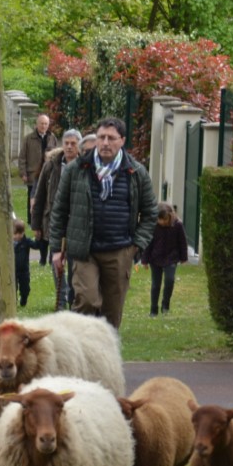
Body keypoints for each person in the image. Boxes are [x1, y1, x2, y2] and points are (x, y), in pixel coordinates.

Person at [47, 117, 158, 329]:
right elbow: (59, 210)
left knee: (112, 312)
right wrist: (55, 249)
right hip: (84, 249)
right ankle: (80, 353)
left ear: (122, 141)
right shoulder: (77, 169)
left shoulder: (135, 172)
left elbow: (150, 213)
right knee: (86, 301)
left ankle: (105, 356)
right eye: (101, 137)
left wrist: (137, 245)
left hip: (120, 250)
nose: (105, 143)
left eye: (111, 138)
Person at [31, 128, 81, 308]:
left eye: (73, 144)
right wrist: (36, 224)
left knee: (75, 263)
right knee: (56, 261)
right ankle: (61, 299)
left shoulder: (84, 165)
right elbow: (40, 194)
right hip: (53, 220)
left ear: (79, 146)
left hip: (76, 222)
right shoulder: (51, 165)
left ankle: (73, 297)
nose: (69, 147)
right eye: (66, 143)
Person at [140, 202, 190, 316]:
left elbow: (182, 242)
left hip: (171, 258)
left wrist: (183, 258)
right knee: (155, 285)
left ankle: (165, 305)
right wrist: (145, 260)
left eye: (165, 219)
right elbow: (148, 243)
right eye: (160, 219)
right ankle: (153, 310)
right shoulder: (153, 226)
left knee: (170, 280)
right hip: (155, 258)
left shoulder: (177, 225)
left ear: (170, 216)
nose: (162, 222)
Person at [19, 113, 57, 225]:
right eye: (41, 123)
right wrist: (23, 173)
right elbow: (22, 157)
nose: (44, 126)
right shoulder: (28, 139)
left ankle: (43, 219)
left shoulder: (52, 137)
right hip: (33, 173)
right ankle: (31, 220)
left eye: (46, 124)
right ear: (37, 124)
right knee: (32, 196)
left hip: (47, 173)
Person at [12, 219, 39, 309]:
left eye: (20, 233)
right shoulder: (9, 243)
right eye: (15, 234)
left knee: (25, 288)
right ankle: (13, 303)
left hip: (24, 270)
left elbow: (36, 246)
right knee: (12, 288)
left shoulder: (26, 241)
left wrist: (38, 238)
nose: (18, 236)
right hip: (13, 270)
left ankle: (24, 299)